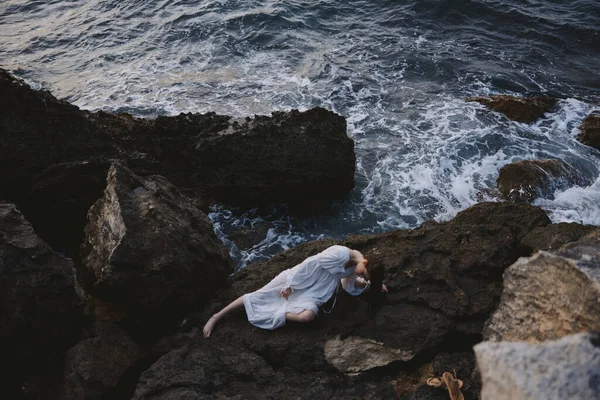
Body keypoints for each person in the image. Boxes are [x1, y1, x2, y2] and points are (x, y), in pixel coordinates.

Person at [203, 244, 387, 338]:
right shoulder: (340, 253)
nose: (361, 275)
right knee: (260, 295)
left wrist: (371, 285)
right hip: (301, 279)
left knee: (307, 317)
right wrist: (290, 284)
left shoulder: (356, 265)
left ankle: (278, 310)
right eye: (364, 273)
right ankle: (217, 316)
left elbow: (350, 282)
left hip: (317, 291)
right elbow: (308, 264)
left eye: (365, 276)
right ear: (365, 262)